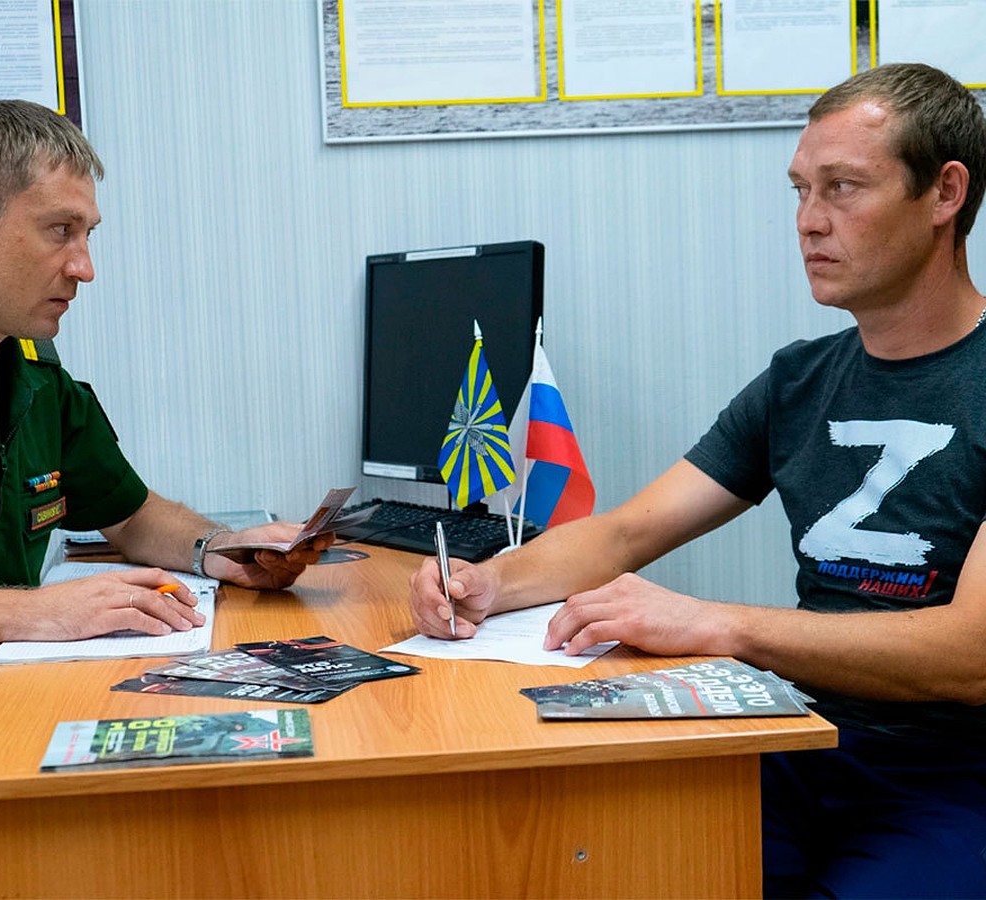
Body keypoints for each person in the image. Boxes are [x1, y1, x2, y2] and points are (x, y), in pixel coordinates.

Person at [409, 62, 986, 897]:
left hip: (948, 775)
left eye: (843, 188)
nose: (809, 223)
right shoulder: (799, 381)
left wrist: (717, 624)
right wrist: (483, 583)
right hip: (796, 737)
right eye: (799, 191)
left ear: (945, 194)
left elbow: (970, 655)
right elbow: (627, 533)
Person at [0, 99, 331, 898]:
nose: (84, 267)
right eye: (60, 231)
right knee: (146, 858)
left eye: (88, 236)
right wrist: (29, 612)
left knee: (219, 796)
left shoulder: (33, 373)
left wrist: (221, 547)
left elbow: (132, 511)